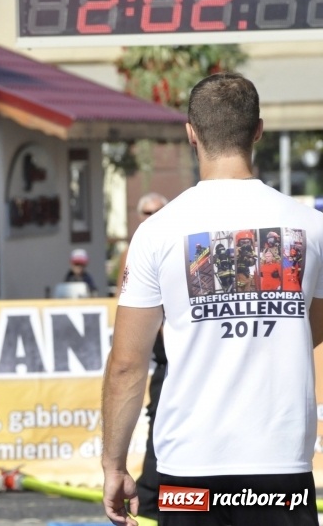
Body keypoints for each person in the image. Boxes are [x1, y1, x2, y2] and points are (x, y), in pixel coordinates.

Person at [102, 72, 323, 526]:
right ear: (258, 131)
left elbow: (128, 363)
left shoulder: (157, 231)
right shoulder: (312, 228)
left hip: (190, 467)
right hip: (281, 465)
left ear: (190, 133)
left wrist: (114, 464)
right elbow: (311, 331)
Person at [115, 193, 168, 521]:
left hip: (182, 352)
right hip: (165, 357)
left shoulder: (175, 239)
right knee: (158, 434)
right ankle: (150, 506)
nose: (151, 216)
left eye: (157, 211)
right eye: (146, 211)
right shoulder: (137, 249)